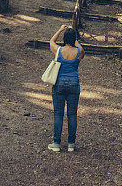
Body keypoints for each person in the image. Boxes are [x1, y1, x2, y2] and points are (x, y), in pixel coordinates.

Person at [47, 23, 85, 152]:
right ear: (74, 38)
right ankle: (71, 144)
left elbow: (51, 41)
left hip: (59, 84)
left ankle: (56, 143)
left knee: (58, 114)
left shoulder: (58, 51)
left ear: (64, 38)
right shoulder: (79, 52)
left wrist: (60, 30)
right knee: (72, 114)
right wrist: (74, 38)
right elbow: (80, 47)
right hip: (74, 84)